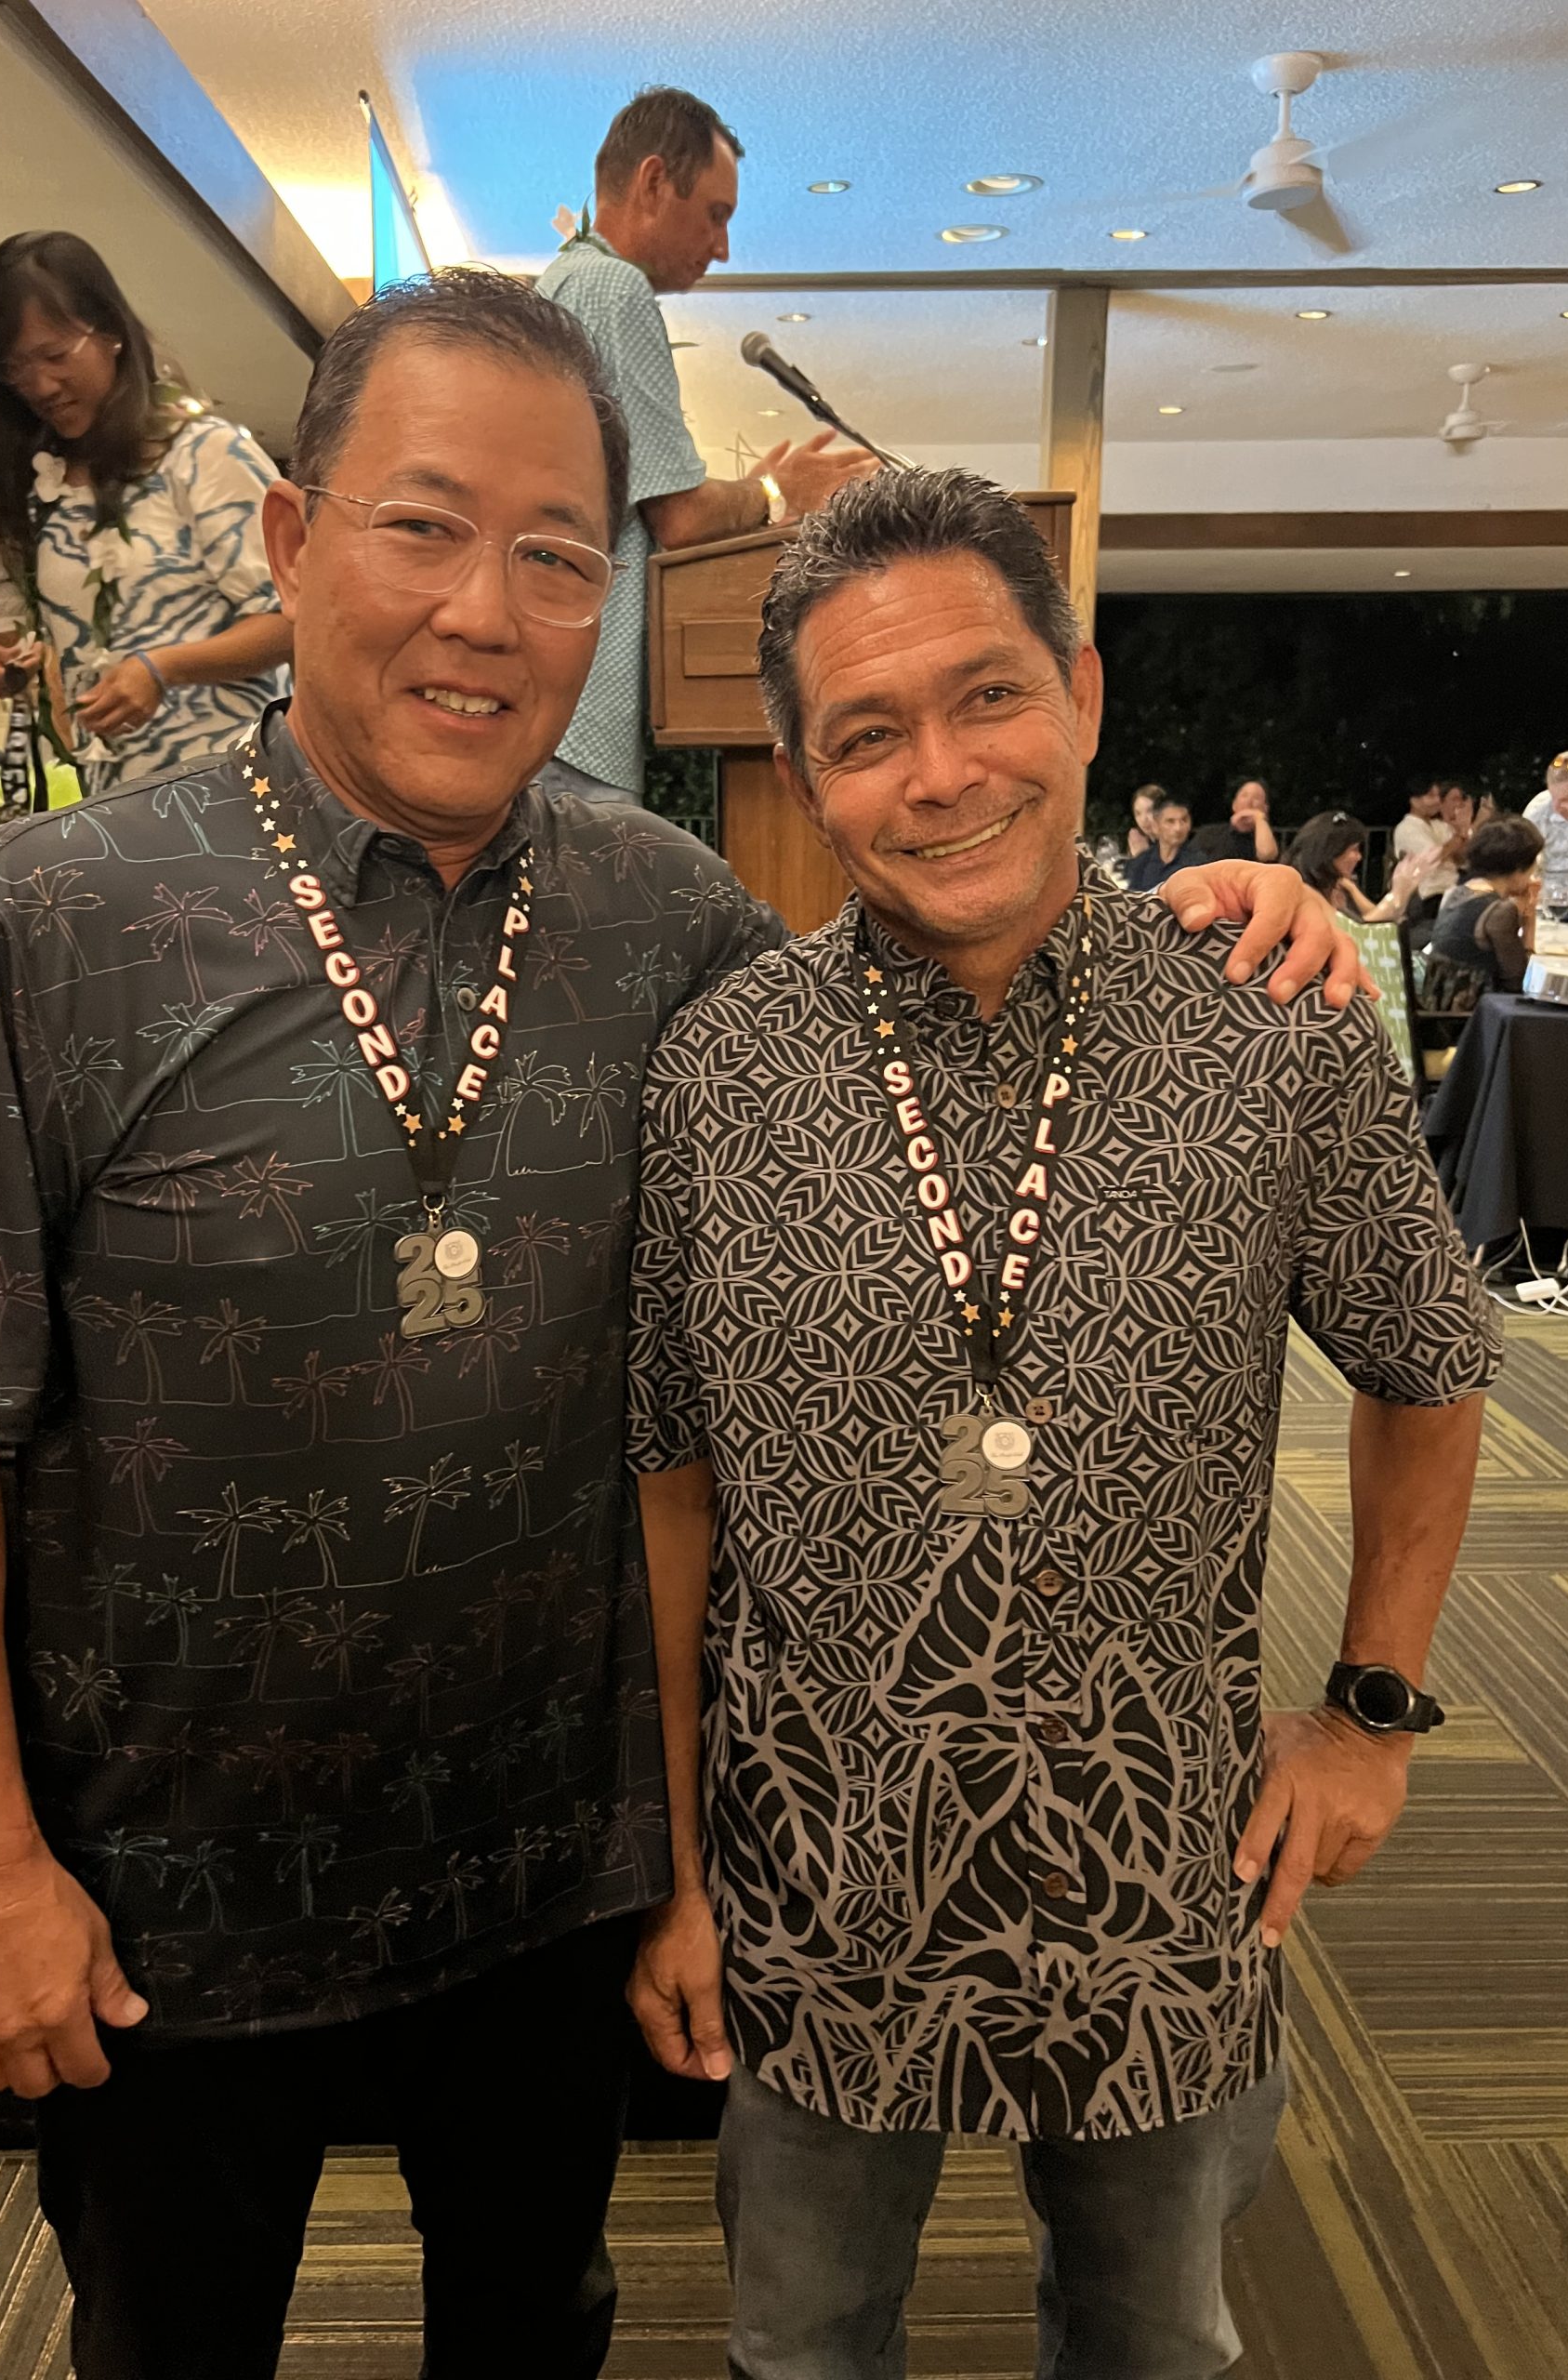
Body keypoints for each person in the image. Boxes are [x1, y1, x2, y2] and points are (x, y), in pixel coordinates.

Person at [0, 279, 1352, 2380]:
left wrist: (1219, 921)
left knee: (537, 2330)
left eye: (556, 555)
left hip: (557, 1881)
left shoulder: (669, 918)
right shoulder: (39, 925)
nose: (486, 611)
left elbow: (937, 988)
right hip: (170, 1895)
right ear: (291, 541)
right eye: (422, 527)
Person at [623, 468, 1499, 2380]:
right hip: (818, 1865)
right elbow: (674, 1495)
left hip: (1163, 1866)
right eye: (867, 735)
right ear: (805, 775)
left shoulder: (1270, 1025)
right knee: (799, 2345)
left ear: (1084, 695)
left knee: (1152, 2341)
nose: (940, 775)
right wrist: (682, 1872)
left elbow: (1433, 1360)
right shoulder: (724, 1071)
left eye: (988, 697)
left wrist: (1372, 1710)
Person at [536, 87, 875, 804]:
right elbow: (681, 518)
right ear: (655, 181)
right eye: (716, 215)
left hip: (551, 710)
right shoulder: (611, 289)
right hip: (576, 726)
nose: (722, 248)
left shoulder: (566, 281)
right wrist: (780, 493)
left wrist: (754, 500)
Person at [0, 231, 291, 796]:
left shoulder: (205, 455)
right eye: (13, 368)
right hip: (115, 801)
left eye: (55, 355)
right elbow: (4, 621)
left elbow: (297, 622)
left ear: (111, 333)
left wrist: (163, 668)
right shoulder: (38, 484)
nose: (39, 385)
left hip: (238, 791)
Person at [1423, 814, 1545, 1004]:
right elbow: (1519, 981)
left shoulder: (1455, 892)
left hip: (1437, 1005)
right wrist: (1530, 920)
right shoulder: (1500, 911)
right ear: (1519, 867)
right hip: (1476, 1014)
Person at [1287, 812, 1427, 923]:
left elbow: (1371, 918)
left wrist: (1402, 894)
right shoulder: (1302, 890)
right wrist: (1395, 897)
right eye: (1354, 849)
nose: (1359, 857)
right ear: (1330, 851)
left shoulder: (1339, 886)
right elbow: (1357, 934)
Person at [1523, 748, 1568, 923]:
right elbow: (1518, 864)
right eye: (1553, 796)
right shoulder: (1539, 811)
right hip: (1549, 914)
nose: (1556, 807)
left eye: (1566, 800)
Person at [1391, 780, 1460, 921]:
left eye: (1438, 796)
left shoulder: (1440, 825)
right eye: (1430, 796)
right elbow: (1433, 857)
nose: (1437, 801)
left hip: (1453, 889)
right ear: (1414, 800)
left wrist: (1463, 829)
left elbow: (1460, 856)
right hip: (1429, 896)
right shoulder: (1407, 828)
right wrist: (1458, 840)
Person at [1192, 775, 1278, 865]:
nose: (1249, 801)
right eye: (1244, 795)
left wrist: (1260, 818)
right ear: (1234, 804)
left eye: (1256, 798)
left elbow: (1267, 855)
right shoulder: (1209, 833)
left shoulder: (1266, 838)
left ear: (1265, 808)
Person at [1122, 788, 1197, 890]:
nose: (1178, 828)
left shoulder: (1197, 862)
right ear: (1156, 825)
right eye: (1170, 821)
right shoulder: (1141, 861)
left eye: (1184, 820)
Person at [1124, 782, 1163, 858]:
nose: (1143, 819)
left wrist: (1141, 855)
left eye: (1149, 811)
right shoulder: (1140, 840)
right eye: (1138, 813)